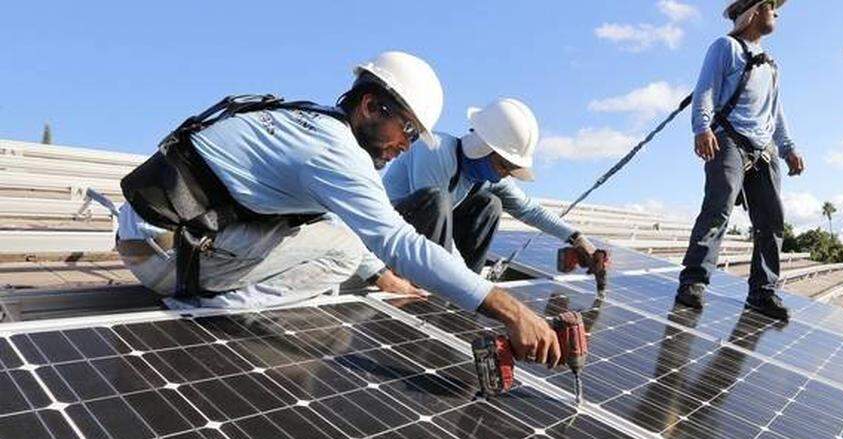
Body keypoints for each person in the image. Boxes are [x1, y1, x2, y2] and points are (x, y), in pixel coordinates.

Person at [115, 52, 563, 366]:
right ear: (370, 106)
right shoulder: (335, 152)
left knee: (347, 245)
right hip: (167, 257)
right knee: (346, 252)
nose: (406, 144)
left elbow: (324, 218)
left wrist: (382, 276)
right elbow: (399, 241)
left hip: (155, 233)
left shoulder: (311, 122)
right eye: (406, 128)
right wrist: (513, 311)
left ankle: (210, 291)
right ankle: (210, 312)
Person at [675, 0, 806, 321]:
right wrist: (702, 127)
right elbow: (705, 88)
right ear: (755, 11)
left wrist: (788, 147)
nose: (776, 14)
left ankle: (763, 292)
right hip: (729, 139)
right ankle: (693, 281)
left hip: (764, 149)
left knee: (772, 220)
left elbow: (776, 111)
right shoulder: (725, 47)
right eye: (771, 7)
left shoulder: (772, 65)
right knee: (718, 208)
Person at [382, 98, 607, 278]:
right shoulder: (435, 150)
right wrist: (472, 287)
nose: (504, 174)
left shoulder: (490, 178)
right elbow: (433, 221)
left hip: (428, 239)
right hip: (388, 232)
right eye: (503, 165)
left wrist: (578, 239)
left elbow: (531, 210)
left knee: (490, 204)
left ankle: (461, 283)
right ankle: (454, 282)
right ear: (482, 148)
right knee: (436, 201)